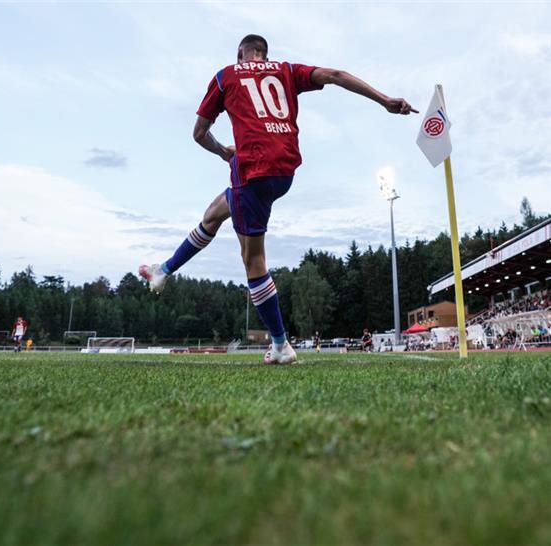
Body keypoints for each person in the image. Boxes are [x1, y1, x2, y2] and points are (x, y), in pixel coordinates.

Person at [139, 34, 416, 365]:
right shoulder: (286, 70)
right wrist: (385, 100)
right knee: (214, 213)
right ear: (264, 53)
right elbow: (337, 75)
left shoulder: (226, 75)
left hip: (252, 170)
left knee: (252, 260)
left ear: (241, 54)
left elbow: (199, 133)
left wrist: (223, 151)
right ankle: (165, 271)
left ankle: (281, 345)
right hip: (284, 171)